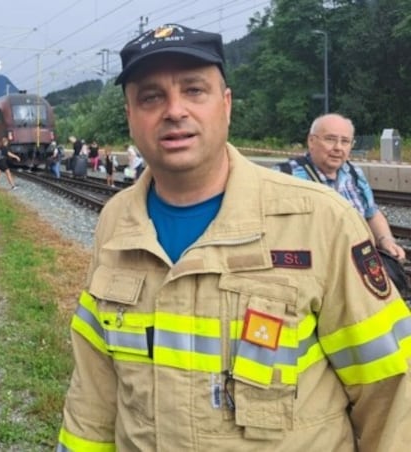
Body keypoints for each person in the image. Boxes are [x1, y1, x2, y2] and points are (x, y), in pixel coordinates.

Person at [58, 23, 411, 451]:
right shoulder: (117, 221)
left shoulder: (320, 221)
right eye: (151, 96)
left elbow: (391, 394)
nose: (174, 110)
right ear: (131, 116)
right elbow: (95, 390)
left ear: (226, 105)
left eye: (194, 90)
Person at [274, 113, 406, 261]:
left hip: (358, 264)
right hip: (314, 267)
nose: (338, 148)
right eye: (330, 139)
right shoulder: (284, 176)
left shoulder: (354, 173)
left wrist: (386, 240)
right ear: (311, 141)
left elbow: (372, 213)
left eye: (345, 141)